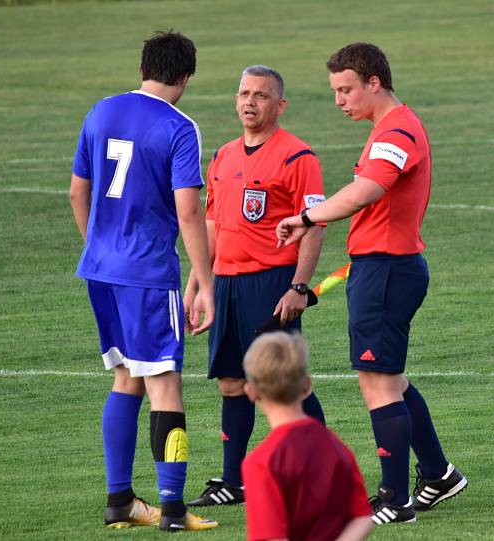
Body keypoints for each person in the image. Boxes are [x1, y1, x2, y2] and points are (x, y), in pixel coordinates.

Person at [276, 42, 467, 524]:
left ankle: (395, 499)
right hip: (382, 268)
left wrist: (306, 216)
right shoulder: (388, 127)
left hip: (386, 269)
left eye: (346, 89)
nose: (339, 100)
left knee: (377, 383)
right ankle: (439, 474)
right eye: (335, 91)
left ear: (374, 82)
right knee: (392, 380)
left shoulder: (397, 129)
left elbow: (368, 190)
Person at [68, 31, 217, 532]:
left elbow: (76, 193)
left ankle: (120, 502)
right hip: (148, 275)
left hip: (100, 270)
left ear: (144, 67)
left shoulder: (100, 110)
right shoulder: (179, 126)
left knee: (126, 377)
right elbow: (190, 212)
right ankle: (173, 510)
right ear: (185, 77)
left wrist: (100, 248)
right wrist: (205, 277)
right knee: (165, 381)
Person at [185, 65, 328, 507]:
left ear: (280, 105)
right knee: (231, 382)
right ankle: (233, 480)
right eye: (244, 93)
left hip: (271, 284)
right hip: (226, 282)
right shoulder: (223, 156)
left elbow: (316, 225)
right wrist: (197, 284)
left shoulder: (298, 157)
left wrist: (299, 287)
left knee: (284, 382)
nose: (250, 102)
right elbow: (212, 224)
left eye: (261, 95)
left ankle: (321, 471)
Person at [242, 332, 373, 541]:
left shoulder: (261, 462)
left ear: (251, 392)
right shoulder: (334, 444)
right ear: (307, 386)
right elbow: (363, 517)